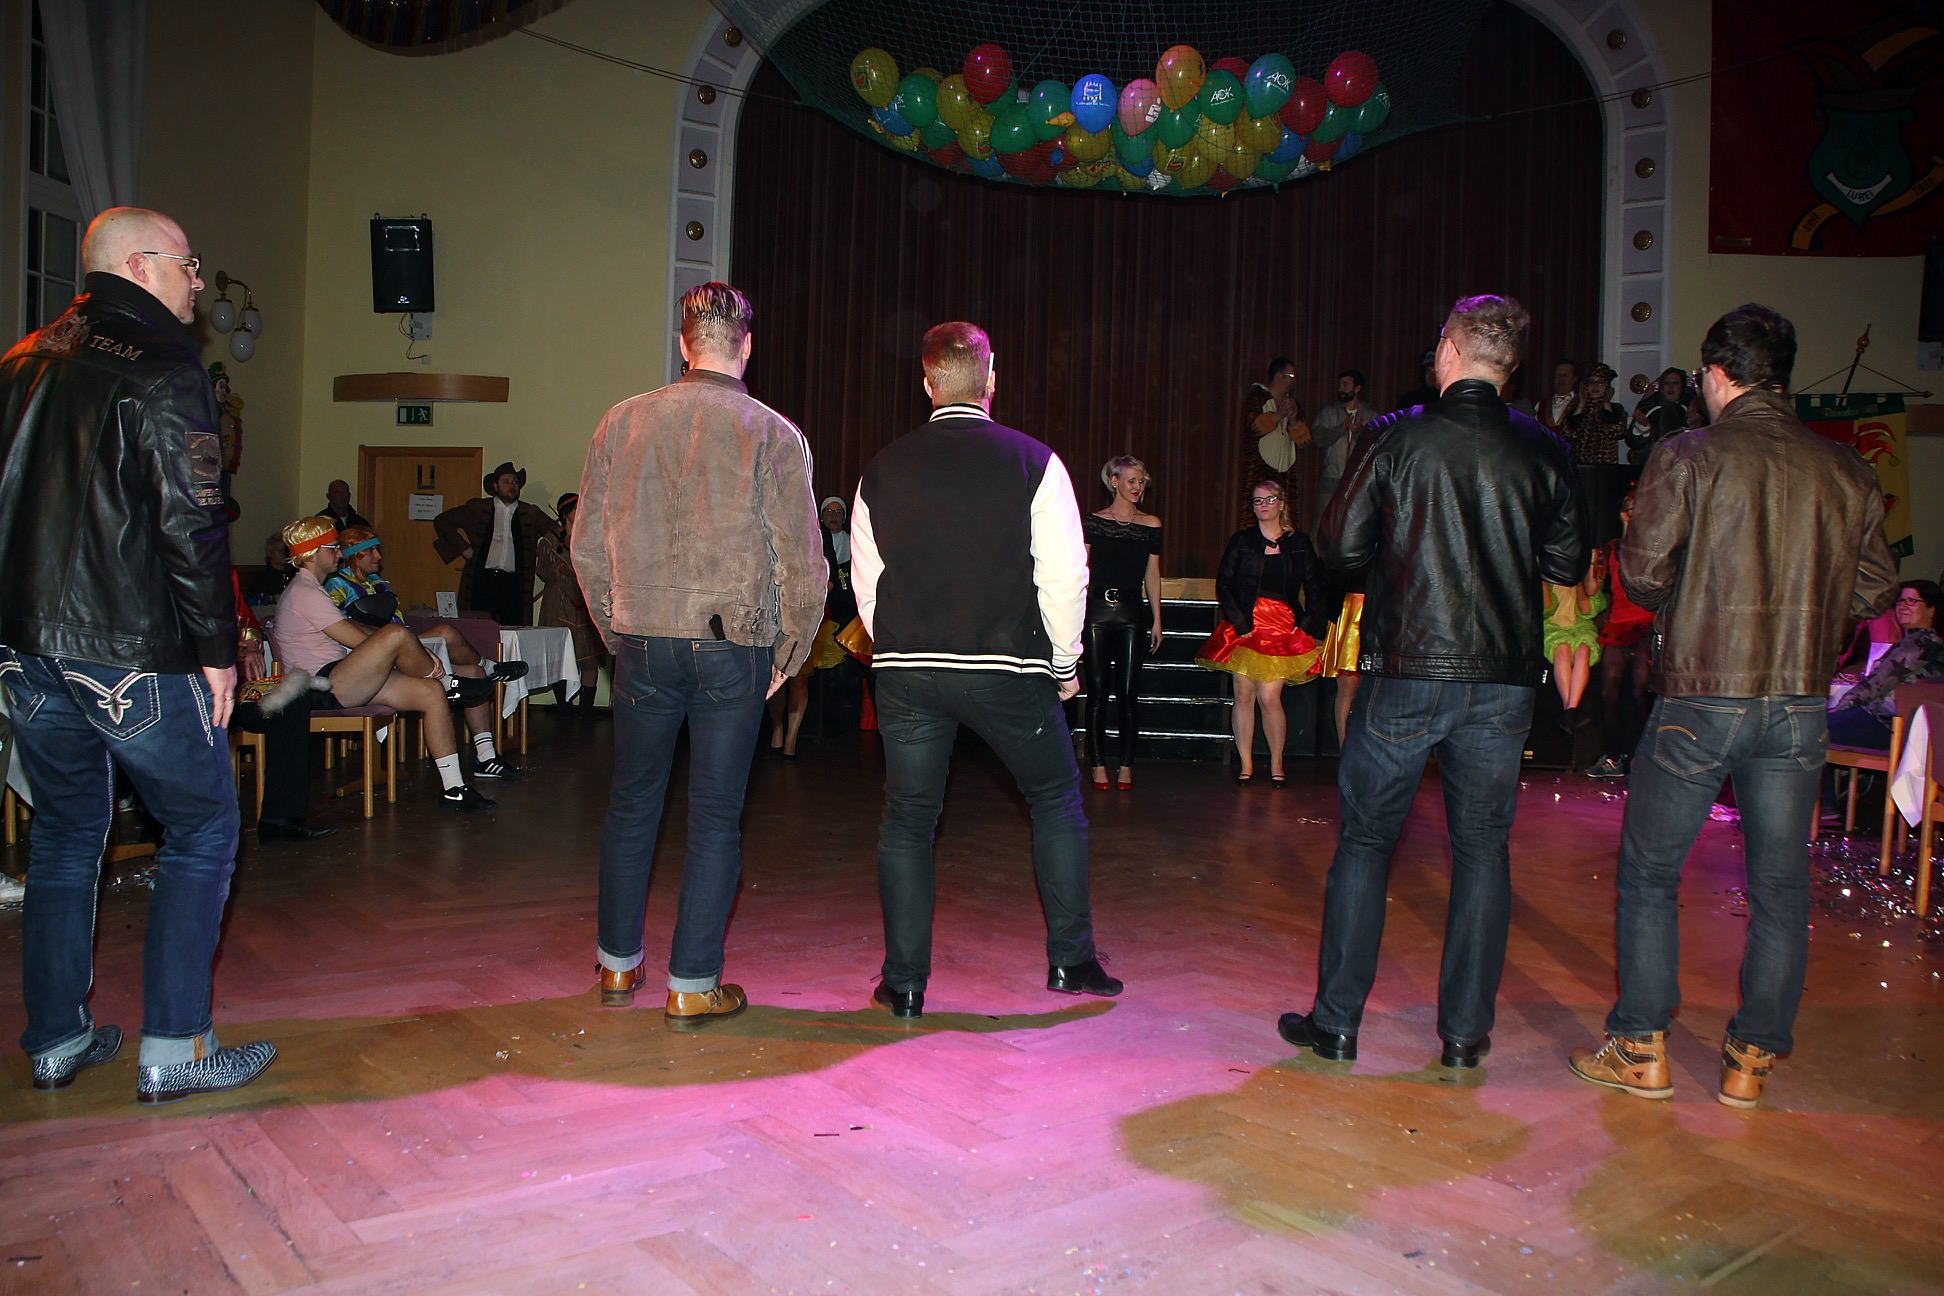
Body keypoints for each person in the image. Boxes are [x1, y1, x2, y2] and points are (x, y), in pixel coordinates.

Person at [1568, 303, 1896, 1109]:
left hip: (1701, 696)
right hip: (1797, 702)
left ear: (1716, 375)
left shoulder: (1689, 454)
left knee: (1651, 873)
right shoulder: (1844, 469)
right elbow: (1876, 588)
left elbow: (1644, 577)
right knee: (1781, 887)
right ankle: (1751, 1061)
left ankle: (1640, 1048)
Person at [0, 205, 277, 1103]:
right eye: (188, 265)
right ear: (139, 266)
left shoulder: (21, 360)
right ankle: (177, 1049)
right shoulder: (162, 364)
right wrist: (219, 649)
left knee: (64, 831)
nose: (198, 282)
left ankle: (56, 1039)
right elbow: (191, 521)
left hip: (23, 644)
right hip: (127, 644)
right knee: (203, 826)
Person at [1279, 293, 1586, 1071]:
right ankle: (1464, 1035)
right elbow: (1567, 562)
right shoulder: (1546, 448)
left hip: (1408, 669)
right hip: (1504, 679)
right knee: (1482, 851)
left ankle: (1337, 1023)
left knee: (1366, 841)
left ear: (1448, 349)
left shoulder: (1395, 434)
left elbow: (1339, 547)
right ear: (1510, 366)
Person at [574, 281, 825, 1030]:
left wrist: (619, 631)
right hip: (733, 645)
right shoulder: (773, 432)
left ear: (684, 343)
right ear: (746, 345)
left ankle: (616, 966)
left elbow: (586, 549)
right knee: (714, 817)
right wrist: (789, 653)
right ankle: (691, 984)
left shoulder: (620, 422)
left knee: (631, 805)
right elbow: (803, 564)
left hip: (643, 639)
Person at [852, 320, 1118, 1021]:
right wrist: (1065, 661)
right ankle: (1071, 961)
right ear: (991, 379)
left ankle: (905, 984)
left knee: (908, 821)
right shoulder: (1035, 462)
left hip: (909, 670)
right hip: (1008, 668)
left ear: (927, 382)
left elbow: (867, 585)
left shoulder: (881, 468)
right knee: (1054, 800)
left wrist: (899, 649)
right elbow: (1064, 576)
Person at [272, 517, 509, 806]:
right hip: (318, 686)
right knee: (396, 634)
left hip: (338, 676)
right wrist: (411, 647)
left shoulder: (312, 588)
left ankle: (454, 787)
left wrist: (413, 648)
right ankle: (448, 682)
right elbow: (357, 640)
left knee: (429, 692)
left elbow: (358, 631)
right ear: (312, 554)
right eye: (332, 548)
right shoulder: (305, 592)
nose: (339, 553)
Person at [322, 525, 527, 772]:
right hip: (371, 656)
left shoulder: (378, 583)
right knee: (446, 641)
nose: (379, 556)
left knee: (473, 670)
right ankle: (481, 672)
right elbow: (342, 626)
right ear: (356, 555)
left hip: (403, 647)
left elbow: (397, 621)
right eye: (372, 551)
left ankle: (486, 756)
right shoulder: (336, 585)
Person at [1197, 481, 1326, 787]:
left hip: (1281, 624)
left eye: (1269, 499)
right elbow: (1224, 583)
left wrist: (1306, 625)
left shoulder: (1299, 542)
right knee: (1243, 694)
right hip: (1245, 624)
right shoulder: (1242, 540)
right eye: (1257, 500)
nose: (1263, 505)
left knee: (1269, 697)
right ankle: (1246, 764)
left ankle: (1277, 763)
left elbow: (1316, 587)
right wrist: (1240, 622)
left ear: (1281, 503)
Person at [1083, 456, 1164, 791]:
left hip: (1132, 611)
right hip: (1097, 610)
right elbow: (1081, 569)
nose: (1138, 486)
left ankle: (1127, 765)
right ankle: (1098, 764)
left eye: (1141, 481)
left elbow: (1152, 573)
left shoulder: (1151, 524)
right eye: (1132, 480)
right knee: (1097, 690)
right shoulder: (1093, 522)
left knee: (1129, 692)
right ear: (1114, 481)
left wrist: (1157, 618)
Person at [767, 496, 858, 755]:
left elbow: (831, 578)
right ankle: (777, 729)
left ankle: (791, 740)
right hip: (779, 614)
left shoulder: (824, 538)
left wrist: (815, 594)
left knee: (799, 678)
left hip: (808, 615)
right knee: (776, 675)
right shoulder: (780, 532)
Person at [433, 461, 559, 627]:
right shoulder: (478, 508)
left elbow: (556, 533)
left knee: (513, 628)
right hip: (483, 580)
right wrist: (463, 548)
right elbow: (443, 521)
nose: (512, 486)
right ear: (495, 486)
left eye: (515, 482)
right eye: (506, 482)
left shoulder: (530, 513)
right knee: (479, 628)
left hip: (515, 583)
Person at [1586, 488, 1655, 779]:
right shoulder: (1613, 549)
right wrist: (1591, 563)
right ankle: (1612, 757)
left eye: (1637, 508)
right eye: (1628, 507)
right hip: (1617, 625)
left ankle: (1642, 757)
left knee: (1640, 693)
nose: (1632, 512)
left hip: (1645, 625)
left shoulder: (1654, 549)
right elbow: (1594, 589)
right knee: (1608, 693)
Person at [1825, 579, 1942, 750]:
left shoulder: (1919, 642)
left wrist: (1841, 707)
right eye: (1900, 601)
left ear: (1931, 610)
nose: (1903, 606)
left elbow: (1876, 684)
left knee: (1809, 732)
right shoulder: (1931, 642)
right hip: (1906, 729)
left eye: (1912, 601)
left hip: (1886, 724)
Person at [536, 493, 604, 716]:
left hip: (585, 600)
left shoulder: (592, 537)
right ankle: (563, 706)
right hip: (558, 601)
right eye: (575, 508)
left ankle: (586, 709)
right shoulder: (550, 540)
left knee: (589, 657)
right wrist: (560, 570)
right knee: (560, 654)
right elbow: (542, 570)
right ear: (565, 513)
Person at [1543, 550, 1608, 732]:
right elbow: (1546, 608)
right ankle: (1570, 709)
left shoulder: (1586, 568)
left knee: (1584, 649)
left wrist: (1579, 581)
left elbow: (1588, 610)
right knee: (1562, 648)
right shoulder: (1548, 568)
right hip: (1553, 624)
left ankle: (1570, 710)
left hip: (1579, 625)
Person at [1241, 357, 1305, 520]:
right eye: (1291, 376)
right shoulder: (1258, 398)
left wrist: (1293, 420)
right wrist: (1278, 415)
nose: (1294, 381)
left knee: (1284, 518)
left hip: (1284, 474)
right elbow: (1254, 427)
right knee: (1258, 516)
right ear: (1278, 376)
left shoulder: (1293, 404)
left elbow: (1304, 440)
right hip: (1260, 471)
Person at [1309, 368, 1368, 527]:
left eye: (1345, 385)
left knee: (1352, 527)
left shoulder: (1370, 415)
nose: (1340, 389)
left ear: (1357, 388)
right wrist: (1341, 429)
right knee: (1321, 525)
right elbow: (1318, 438)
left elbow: (1376, 444)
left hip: (1358, 482)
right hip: (1331, 479)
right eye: (1340, 385)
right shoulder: (1328, 413)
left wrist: (1359, 433)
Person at [1627, 367, 1693, 462]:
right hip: (1653, 464)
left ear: (1682, 386)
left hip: (1682, 464)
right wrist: (1643, 427)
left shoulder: (1690, 409)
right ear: (1661, 387)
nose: (1671, 387)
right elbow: (1633, 441)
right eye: (1667, 383)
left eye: (1675, 383)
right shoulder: (1650, 407)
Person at [1536, 359, 1578, 435]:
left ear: (1574, 379)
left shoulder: (1581, 404)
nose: (1561, 379)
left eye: (1565, 375)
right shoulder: (1541, 405)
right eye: (1557, 375)